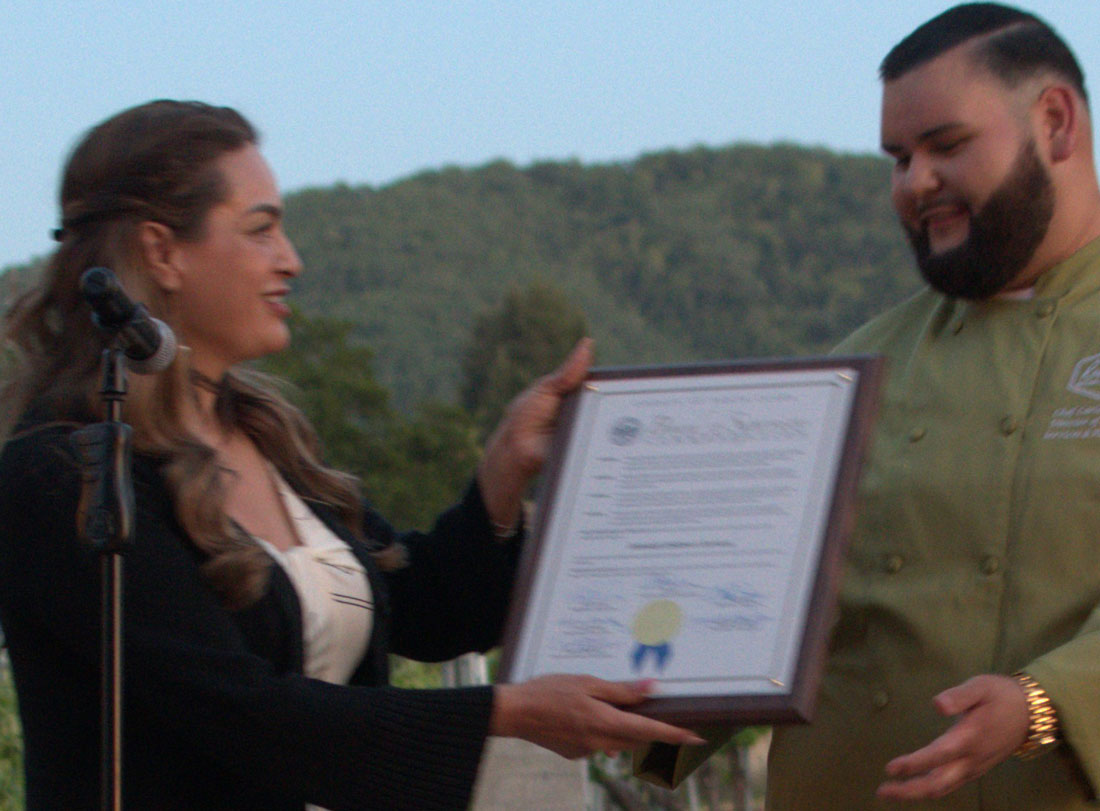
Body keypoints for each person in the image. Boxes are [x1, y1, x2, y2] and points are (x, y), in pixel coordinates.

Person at [0, 100, 704, 811]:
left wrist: (504, 469)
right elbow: (239, 711)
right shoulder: (61, 476)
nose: (291, 259)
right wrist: (507, 713)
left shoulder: (267, 440)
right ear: (162, 252)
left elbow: (420, 609)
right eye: (261, 229)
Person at [766, 4, 1100, 809]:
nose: (916, 183)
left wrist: (1045, 701)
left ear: (1055, 123)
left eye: (947, 146)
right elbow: (754, 597)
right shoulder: (850, 371)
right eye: (899, 158)